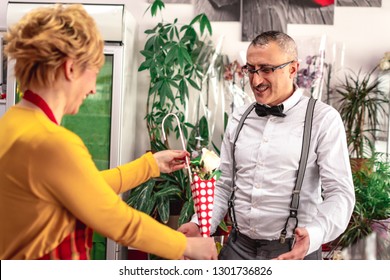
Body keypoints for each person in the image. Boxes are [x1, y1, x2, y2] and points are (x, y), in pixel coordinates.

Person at [0, 4, 217, 260]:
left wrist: (150, 165)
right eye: (94, 70)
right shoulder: (51, 143)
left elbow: (86, 189)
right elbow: (116, 219)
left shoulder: (13, 123)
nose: (93, 88)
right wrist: (186, 246)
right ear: (70, 68)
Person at [178, 31, 355, 260]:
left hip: (294, 252)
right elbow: (223, 186)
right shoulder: (239, 117)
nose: (256, 80)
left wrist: (315, 234)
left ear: (293, 69)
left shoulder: (323, 119)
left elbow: (340, 194)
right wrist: (200, 225)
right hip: (237, 249)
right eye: (251, 69)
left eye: (266, 69)